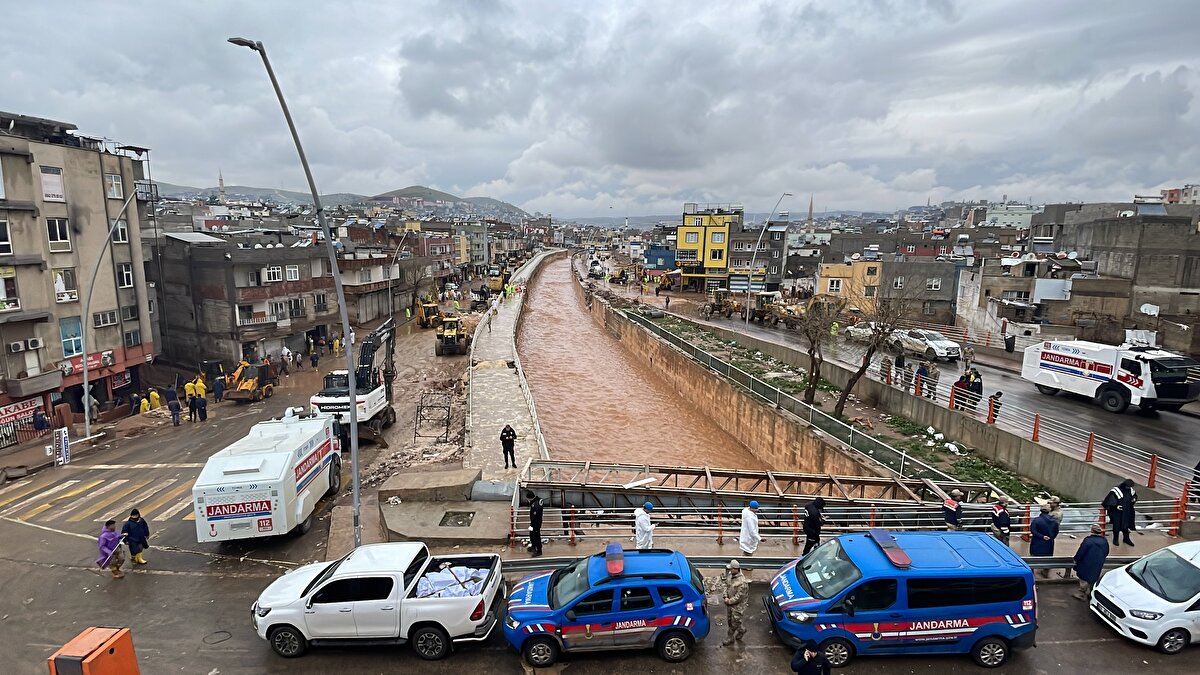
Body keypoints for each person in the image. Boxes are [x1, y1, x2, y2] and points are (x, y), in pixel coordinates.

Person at [1072, 524, 1110, 600]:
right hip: (1098, 563)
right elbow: (1106, 552)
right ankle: (1090, 593)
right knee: (1093, 578)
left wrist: (1076, 559)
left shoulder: (1088, 541)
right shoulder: (1104, 541)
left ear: (1092, 531)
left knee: (1083, 578)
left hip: (1086, 563)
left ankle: (1082, 594)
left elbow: (1081, 552)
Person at [720, 559, 749, 646]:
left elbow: (739, 597)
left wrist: (729, 601)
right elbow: (726, 585)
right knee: (730, 620)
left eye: (731, 569)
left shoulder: (742, 582)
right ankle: (742, 630)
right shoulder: (730, 575)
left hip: (738, 607)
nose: (730, 570)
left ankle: (730, 637)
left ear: (736, 569)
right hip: (729, 603)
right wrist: (725, 596)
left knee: (734, 622)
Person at [1102, 479, 1137, 547]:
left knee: (1126, 526)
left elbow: (1134, 496)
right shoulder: (1116, 490)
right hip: (1117, 512)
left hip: (1127, 510)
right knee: (1116, 525)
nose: (1128, 488)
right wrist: (1116, 506)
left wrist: (1134, 499)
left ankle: (1126, 538)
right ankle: (1115, 539)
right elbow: (1109, 500)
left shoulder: (1131, 491)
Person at [1030, 504, 1059, 577]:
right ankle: (1045, 572)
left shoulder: (1036, 520)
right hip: (1049, 543)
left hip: (1037, 542)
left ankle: (1033, 573)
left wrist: (1042, 536)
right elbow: (1056, 531)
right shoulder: (1054, 521)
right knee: (1048, 557)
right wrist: (1051, 537)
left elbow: (1033, 531)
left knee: (1034, 558)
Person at [526, 490, 544, 557]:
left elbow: (535, 517)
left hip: (536, 523)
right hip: (535, 522)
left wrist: (531, 525)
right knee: (531, 535)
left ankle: (539, 550)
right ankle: (533, 546)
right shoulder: (538, 500)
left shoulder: (535, 505)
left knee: (536, 536)